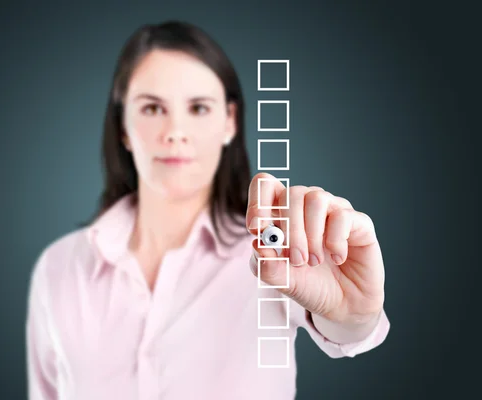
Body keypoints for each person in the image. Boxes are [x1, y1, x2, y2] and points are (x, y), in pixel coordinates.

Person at [25, 20, 390, 400]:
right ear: (123, 128)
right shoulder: (59, 268)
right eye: (152, 107)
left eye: (198, 107)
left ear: (229, 122)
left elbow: (347, 327)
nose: (175, 131)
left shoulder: (276, 257)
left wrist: (357, 316)